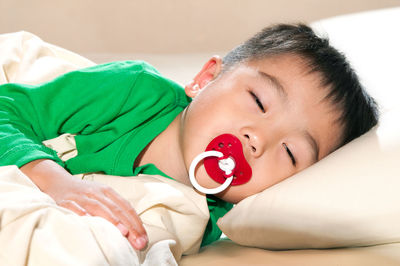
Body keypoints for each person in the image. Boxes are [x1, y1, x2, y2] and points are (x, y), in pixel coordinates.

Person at [0, 24, 379, 251]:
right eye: (257, 100)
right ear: (206, 79)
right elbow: (8, 111)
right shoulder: (133, 91)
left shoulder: (218, 221)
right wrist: (54, 180)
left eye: (290, 152)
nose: (256, 140)